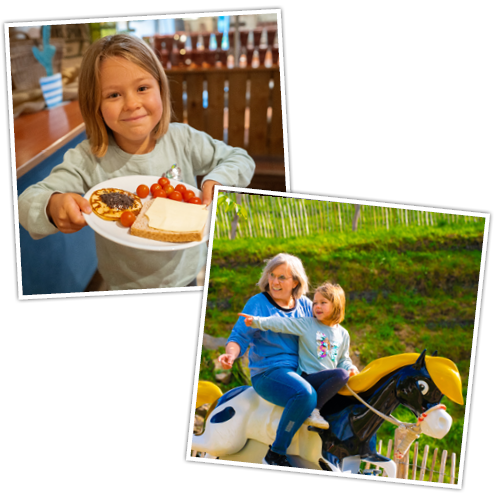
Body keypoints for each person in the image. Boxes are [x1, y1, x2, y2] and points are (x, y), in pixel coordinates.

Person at [18, 34, 255, 290]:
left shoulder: (182, 139)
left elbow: (239, 158)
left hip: (186, 274)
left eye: (142, 88)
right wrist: (53, 206)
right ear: (94, 104)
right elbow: (26, 201)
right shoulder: (87, 158)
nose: (132, 104)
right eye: (113, 95)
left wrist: (218, 178)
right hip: (124, 284)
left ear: (161, 89)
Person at [218, 253, 322, 468]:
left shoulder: (305, 305)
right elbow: (238, 337)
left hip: (302, 371)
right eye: (272, 275)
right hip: (269, 372)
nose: (274, 282)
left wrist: (344, 364)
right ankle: (276, 453)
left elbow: (324, 334)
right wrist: (231, 354)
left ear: (296, 282)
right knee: (305, 394)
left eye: (282, 277)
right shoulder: (257, 303)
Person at [238, 282, 359, 443]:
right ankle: (314, 411)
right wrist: (257, 321)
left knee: (347, 383)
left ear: (336, 305)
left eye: (323, 302)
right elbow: (281, 323)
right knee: (341, 375)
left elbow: (343, 359)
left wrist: (350, 367)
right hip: (308, 378)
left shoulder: (343, 334)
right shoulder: (308, 324)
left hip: (327, 384)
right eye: (315, 303)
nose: (317, 306)